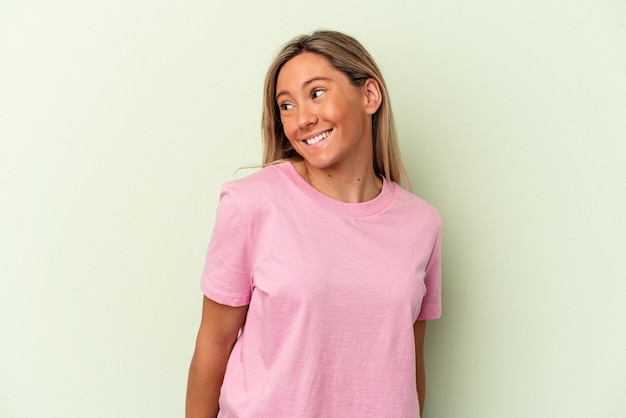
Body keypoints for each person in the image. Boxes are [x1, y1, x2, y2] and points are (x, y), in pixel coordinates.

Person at [186, 30, 442, 418]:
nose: (302, 118)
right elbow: (213, 344)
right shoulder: (252, 203)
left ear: (369, 95)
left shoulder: (421, 224)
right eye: (285, 105)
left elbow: (408, 366)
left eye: (316, 93)